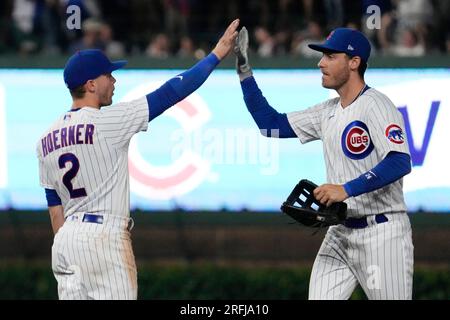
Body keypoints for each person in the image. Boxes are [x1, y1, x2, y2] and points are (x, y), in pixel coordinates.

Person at [36, 19, 240, 300]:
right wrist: (216, 54)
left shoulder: (45, 139)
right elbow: (171, 92)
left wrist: (67, 243)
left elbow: (54, 209)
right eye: (109, 75)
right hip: (103, 237)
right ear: (92, 84)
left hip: (66, 241)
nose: (114, 80)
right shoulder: (109, 120)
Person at [234, 27, 414, 300]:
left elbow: (400, 161)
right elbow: (270, 125)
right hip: (339, 232)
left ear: (354, 63)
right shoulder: (326, 111)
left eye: (330, 56)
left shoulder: (377, 105)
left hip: (382, 233)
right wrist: (244, 72)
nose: (321, 63)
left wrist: (346, 189)